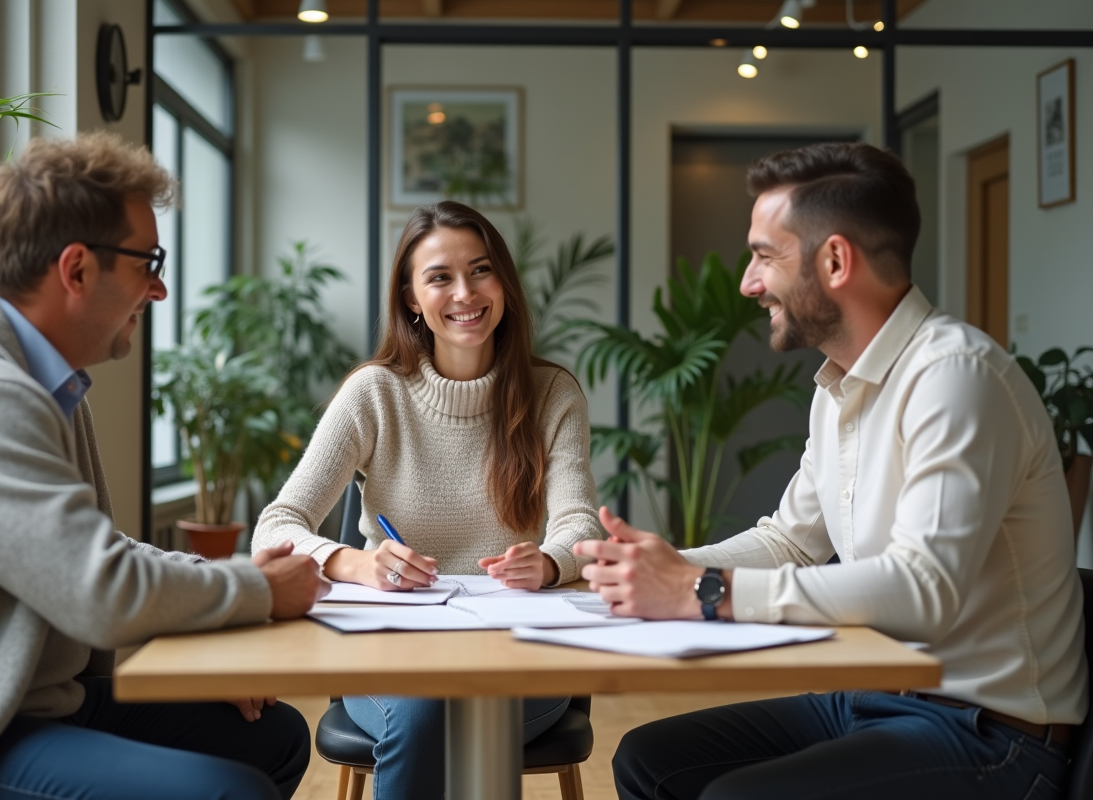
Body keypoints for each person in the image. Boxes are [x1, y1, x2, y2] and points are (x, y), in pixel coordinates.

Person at [575, 142, 1086, 800]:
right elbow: (790, 539)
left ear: (836, 260)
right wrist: (656, 569)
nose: (747, 283)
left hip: (989, 734)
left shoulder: (956, 376)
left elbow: (924, 592)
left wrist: (703, 590)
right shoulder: (839, 386)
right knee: (650, 759)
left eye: (763, 255)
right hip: (873, 701)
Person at [0, 132, 330, 800]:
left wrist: (233, 584)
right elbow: (101, 591)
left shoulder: (38, 379)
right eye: (146, 261)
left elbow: (92, 550)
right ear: (75, 270)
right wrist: (258, 590)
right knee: (229, 792)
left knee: (274, 740)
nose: (157, 289)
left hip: (35, 703)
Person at [252, 200, 602, 800]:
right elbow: (274, 527)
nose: (464, 292)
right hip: (391, 655)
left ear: (505, 284)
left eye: (481, 270)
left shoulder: (552, 394)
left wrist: (548, 562)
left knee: (474, 712)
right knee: (427, 713)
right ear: (413, 298)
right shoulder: (374, 394)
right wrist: (358, 563)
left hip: (516, 652)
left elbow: (580, 525)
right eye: (439, 277)